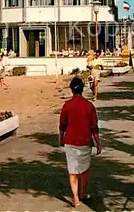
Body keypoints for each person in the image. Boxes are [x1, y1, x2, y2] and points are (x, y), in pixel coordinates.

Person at [59, 77, 102, 207]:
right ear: (82, 89)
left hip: (70, 141)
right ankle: (83, 192)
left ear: (71, 90)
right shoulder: (89, 106)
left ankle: (75, 198)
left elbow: (62, 125)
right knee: (84, 169)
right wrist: (98, 143)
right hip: (85, 141)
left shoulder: (67, 105)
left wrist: (61, 138)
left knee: (72, 170)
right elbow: (94, 127)